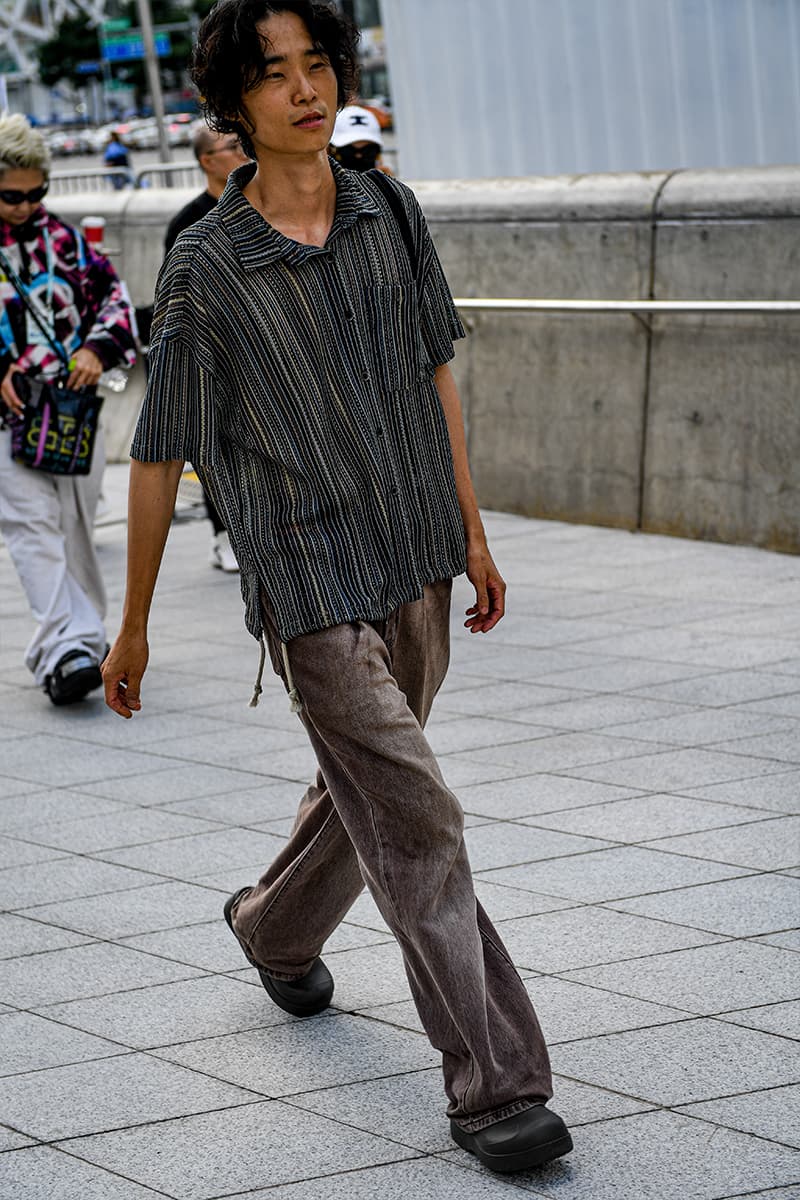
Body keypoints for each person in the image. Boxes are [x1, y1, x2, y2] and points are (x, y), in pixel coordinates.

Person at [102, 0, 572, 1174]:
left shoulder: (388, 210)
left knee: (368, 792)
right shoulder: (207, 265)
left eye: (318, 64)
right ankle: (493, 1086)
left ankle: (272, 927)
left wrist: (471, 532)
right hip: (305, 570)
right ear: (235, 98)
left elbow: (432, 370)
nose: (305, 89)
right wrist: (135, 625)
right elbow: (160, 448)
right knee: (417, 814)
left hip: (412, 545)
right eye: (275, 73)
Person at [0, 114, 136, 705]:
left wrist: (94, 348)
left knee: (77, 530)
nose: (26, 206)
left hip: (71, 415)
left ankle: (79, 644)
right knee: (32, 530)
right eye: (11, 196)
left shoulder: (67, 242)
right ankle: (65, 647)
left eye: (36, 193)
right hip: (9, 416)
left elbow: (117, 303)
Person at [164, 122, 249, 572]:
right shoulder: (187, 223)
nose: (241, 152)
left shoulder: (259, 204)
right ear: (206, 161)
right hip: (215, 352)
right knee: (215, 446)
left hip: (259, 349)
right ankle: (224, 534)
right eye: (230, 147)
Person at [329, 102, 392, 174]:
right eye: (348, 151)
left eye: (368, 151)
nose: (359, 156)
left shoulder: (384, 182)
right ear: (331, 150)